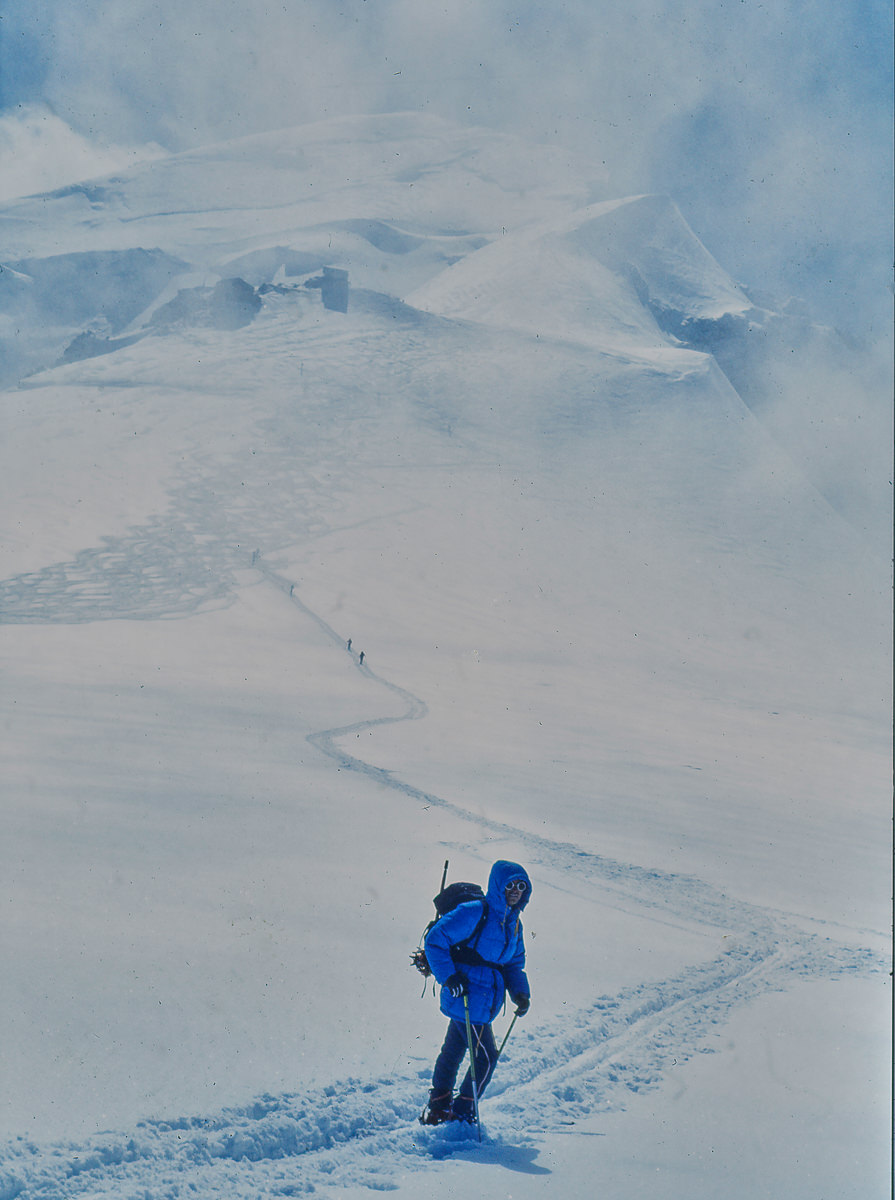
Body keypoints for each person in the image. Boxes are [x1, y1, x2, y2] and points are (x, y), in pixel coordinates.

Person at [421, 860, 532, 1125]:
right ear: (497, 885)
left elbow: (514, 964)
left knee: (454, 1050)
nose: (515, 890)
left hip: (481, 1002)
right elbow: (435, 941)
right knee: (486, 1058)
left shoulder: (515, 925)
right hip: (467, 997)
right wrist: (449, 977)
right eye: (510, 884)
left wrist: (520, 993)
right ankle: (462, 1112)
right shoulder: (474, 912)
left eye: (521, 886)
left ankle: (439, 1107)